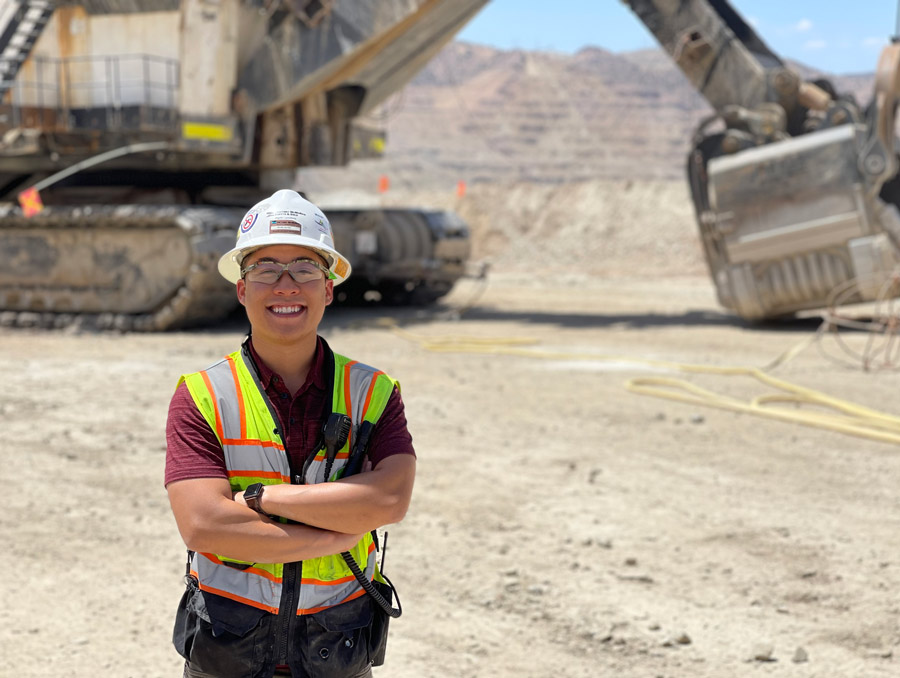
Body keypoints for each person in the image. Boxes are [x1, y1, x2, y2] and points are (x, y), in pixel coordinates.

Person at [165, 189, 416, 678]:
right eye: (265, 270)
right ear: (242, 289)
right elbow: (203, 525)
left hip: (338, 649)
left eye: (304, 269)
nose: (286, 285)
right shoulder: (202, 395)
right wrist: (338, 529)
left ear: (328, 289)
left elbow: (389, 500)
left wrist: (262, 499)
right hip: (227, 654)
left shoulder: (373, 392)